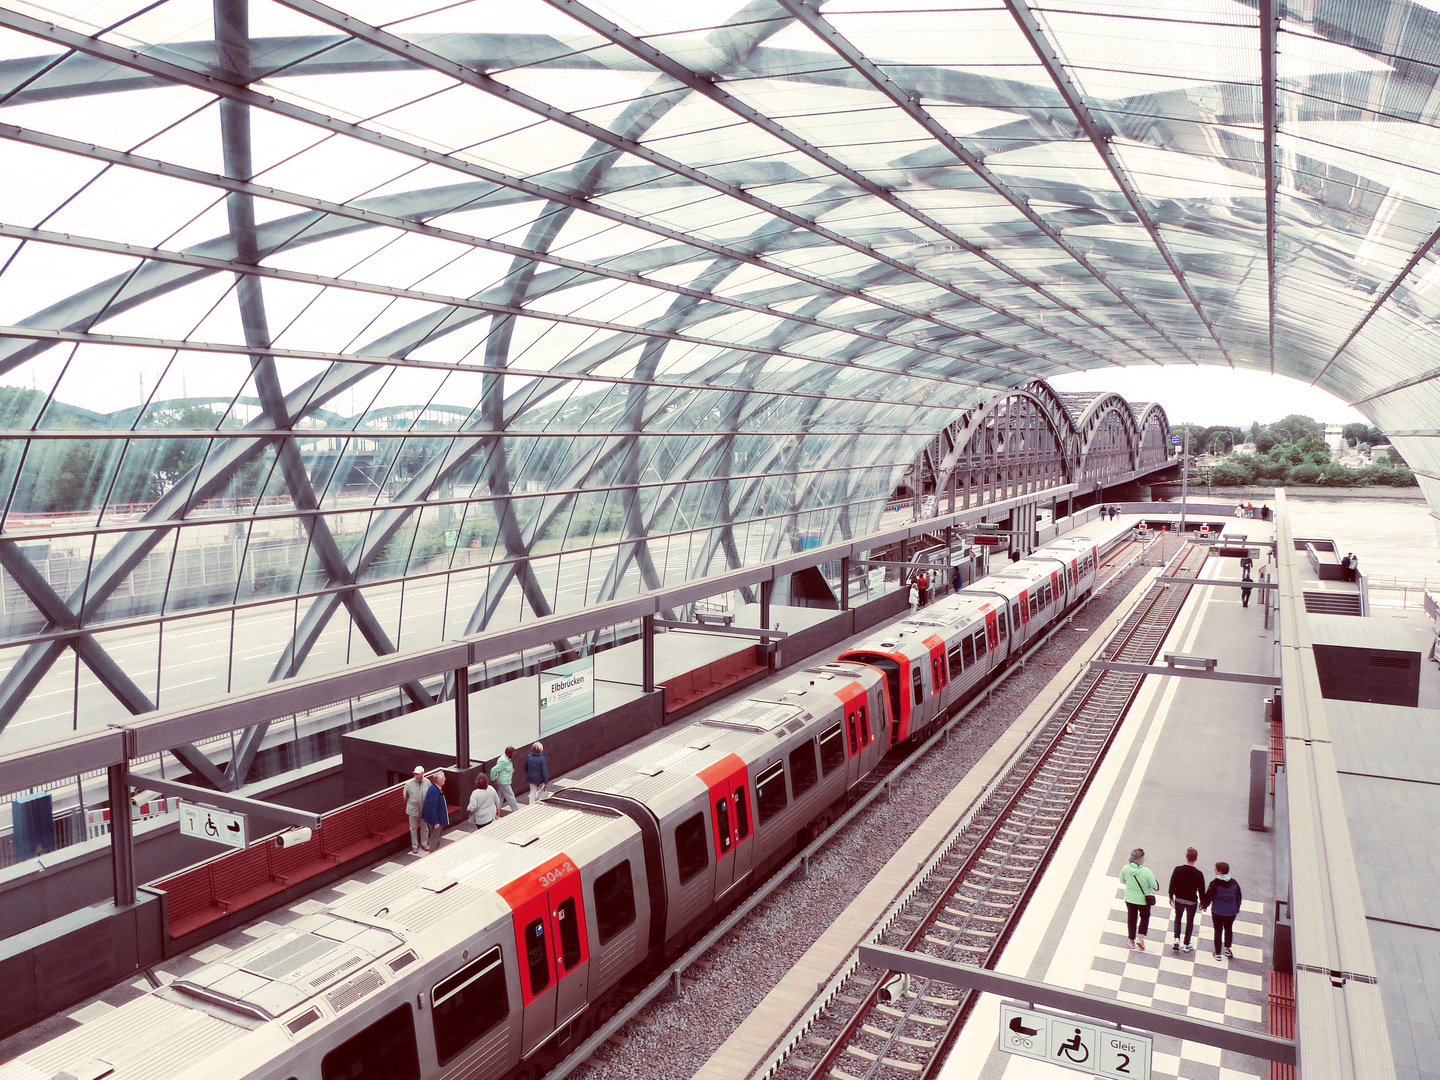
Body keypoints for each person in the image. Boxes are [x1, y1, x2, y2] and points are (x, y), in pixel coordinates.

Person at [1202, 860, 1243, 960]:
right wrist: (1237, 908)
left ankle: (1217, 953)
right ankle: (1228, 949)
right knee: (1228, 929)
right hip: (1231, 912)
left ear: (1219, 872)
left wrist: (1204, 905)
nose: (1214, 871)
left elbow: (1209, 896)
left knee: (1218, 930)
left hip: (1217, 911)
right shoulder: (1234, 883)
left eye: (1215, 869)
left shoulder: (1214, 883)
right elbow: (1238, 896)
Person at [1119, 847, 1159, 950]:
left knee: (1132, 919)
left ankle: (1131, 940)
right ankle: (1140, 939)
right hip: (1143, 900)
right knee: (1144, 918)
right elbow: (1153, 884)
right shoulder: (1146, 871)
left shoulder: (1125, 869)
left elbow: (1122, 880)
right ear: (1140, 860)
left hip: (1129, 898)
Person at [1168, 847, 1206, 953]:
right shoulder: (1199, 874)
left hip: (1179, 898)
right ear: (1196, 859)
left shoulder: (1178, 869)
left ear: (1186, 856)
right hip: (1191, 901)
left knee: (1178, 918)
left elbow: (1172, 883)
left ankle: (1176, 939)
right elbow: (1201, 890)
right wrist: (1203, 903)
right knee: (1190, 921)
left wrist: (1171, 896)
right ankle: (1186, 942)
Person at [403, 766, 430, 854]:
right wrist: (413, 803)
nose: (416, 775)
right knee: (413, 828)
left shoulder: (427, 782)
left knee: (424, 827)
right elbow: (405, 796)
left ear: (423, 773)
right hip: (413, 809)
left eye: (418, 774)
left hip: (424, 809)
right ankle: (414, 846)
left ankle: (424, 844)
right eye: (415, 773)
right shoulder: (409, 783)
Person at [420, 771, 449, 852]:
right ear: (439, 781)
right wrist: (436, 822)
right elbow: (432, 808)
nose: (445, 779)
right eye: (443, 778)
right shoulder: (434, 791)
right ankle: (432, 855)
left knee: (436, 838)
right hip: (436, 821)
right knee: (434, 839)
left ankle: (435, 852)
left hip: (436, 820)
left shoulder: (435, 789)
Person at [490, 746, 520, 815]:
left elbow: (504, 769)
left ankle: (496, 811)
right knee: (511, 796)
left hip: (502, 780)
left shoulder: (505, 759)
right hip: (504, 782)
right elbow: (493, 770)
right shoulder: (504, 761)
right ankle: (516, 811)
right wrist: (493, 779)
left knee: (500, 796)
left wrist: (510, 771)